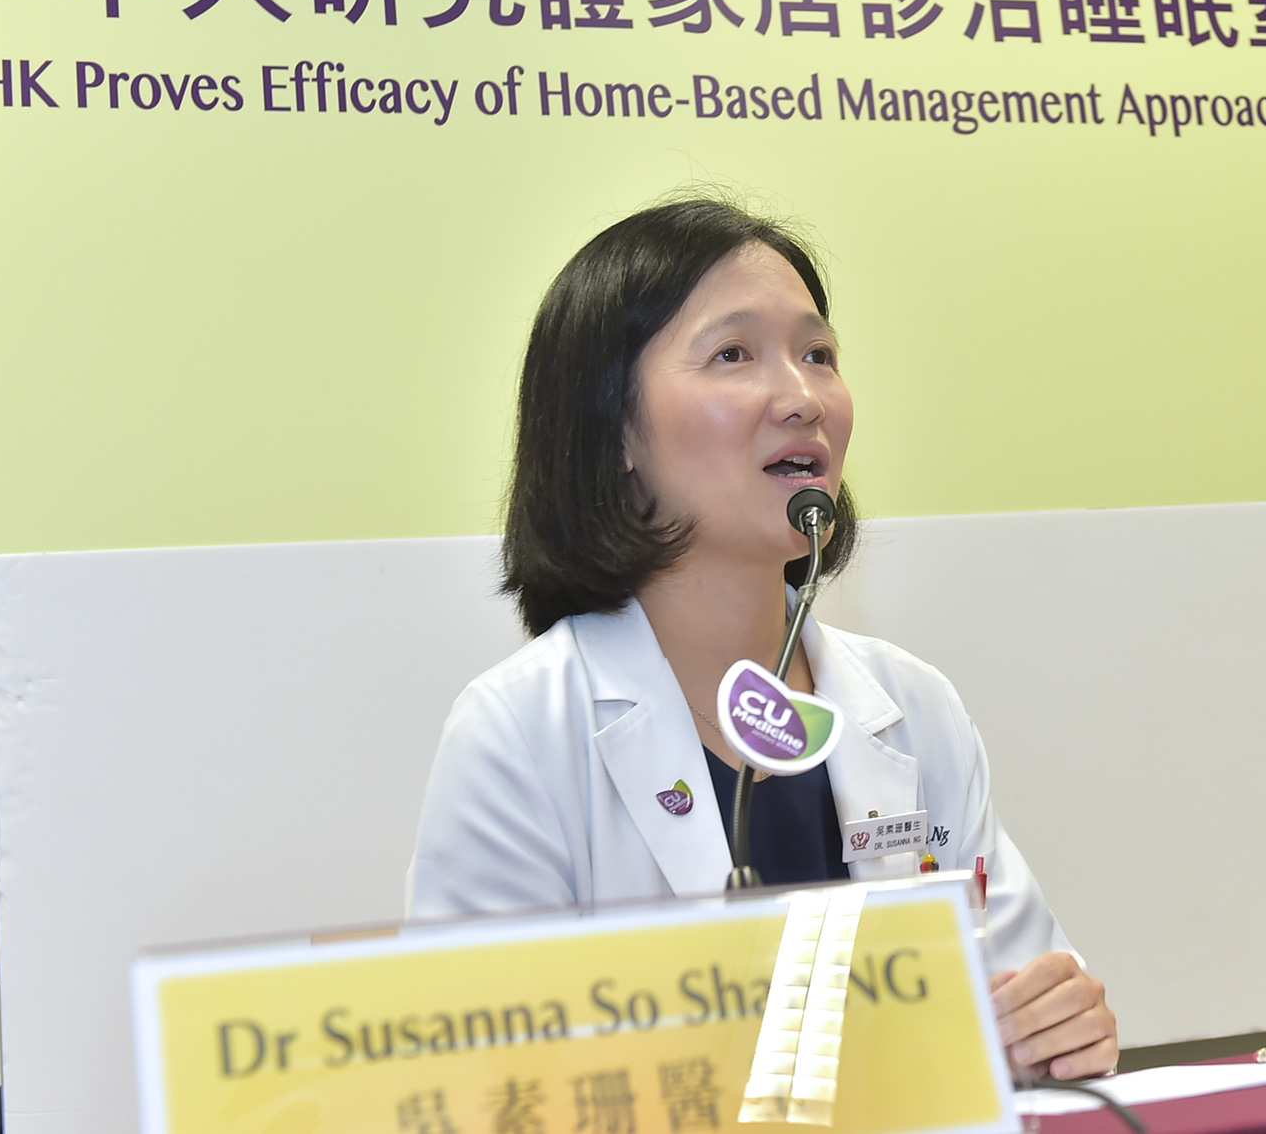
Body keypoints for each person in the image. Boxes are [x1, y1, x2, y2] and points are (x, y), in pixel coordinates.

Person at [408, 197, 1117, 1080]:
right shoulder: (521, 731)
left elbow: (1015, 999)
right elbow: (478, 1087)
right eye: (733, 354)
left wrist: (1049, 1028)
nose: (803, 398)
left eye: (819, 355)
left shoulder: (911, 707)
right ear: (615, 429)